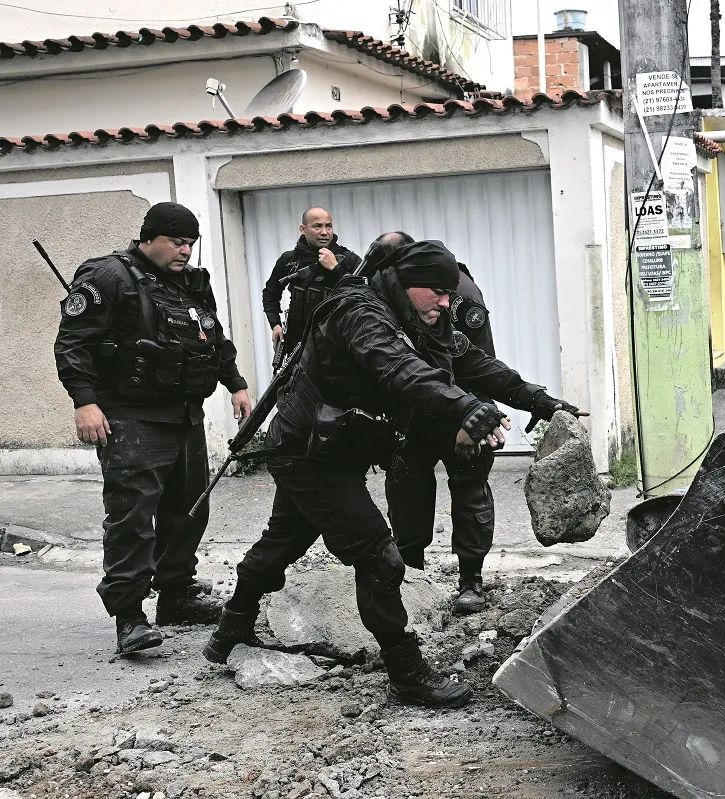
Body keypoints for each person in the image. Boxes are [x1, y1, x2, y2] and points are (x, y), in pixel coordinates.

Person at [204, 237, 585, 710]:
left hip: (334, 452)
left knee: (283, 540)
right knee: (380, 557)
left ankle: (229, 631)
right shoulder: (359, 313)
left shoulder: (422, 317)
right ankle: (407, 674)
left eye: (450, 295)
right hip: (307, 455)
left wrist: (539, 400)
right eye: (438, 293)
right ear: (406, 284)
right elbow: (399, 368)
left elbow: (476, 365)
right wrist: (465, 408)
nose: (447, 303)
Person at [53, 202, 252, 655]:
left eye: (190, 243)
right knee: (133, 516)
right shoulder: (110, 277)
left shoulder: (190, 282)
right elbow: (72, 343)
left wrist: (235, 383)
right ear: (150, 237)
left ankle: (176, 594)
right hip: (130, 414)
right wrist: (85, 403)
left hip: (183, 414)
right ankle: (129, 617)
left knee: (189, 509)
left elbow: (212, 336)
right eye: (176, 242)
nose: (185, 250)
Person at [388, 258, 500, 616]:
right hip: (412, 411)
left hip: (461, 410)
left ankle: (471, 581)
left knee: (470, 489)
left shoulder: (460, 298)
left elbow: (480, 366)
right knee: (406, 492)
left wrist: (474, 421)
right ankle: (411, 578)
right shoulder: (388, 295)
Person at [262, 207, 363, 355]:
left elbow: (365, 294)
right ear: (303, 229)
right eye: (317, 226)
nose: (324, 232)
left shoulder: (348, 259)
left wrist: (335, 268)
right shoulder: (290, 260)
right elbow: (270, 293)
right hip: (299, 344)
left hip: (339, 346)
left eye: (328, 226)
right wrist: (275, 325)